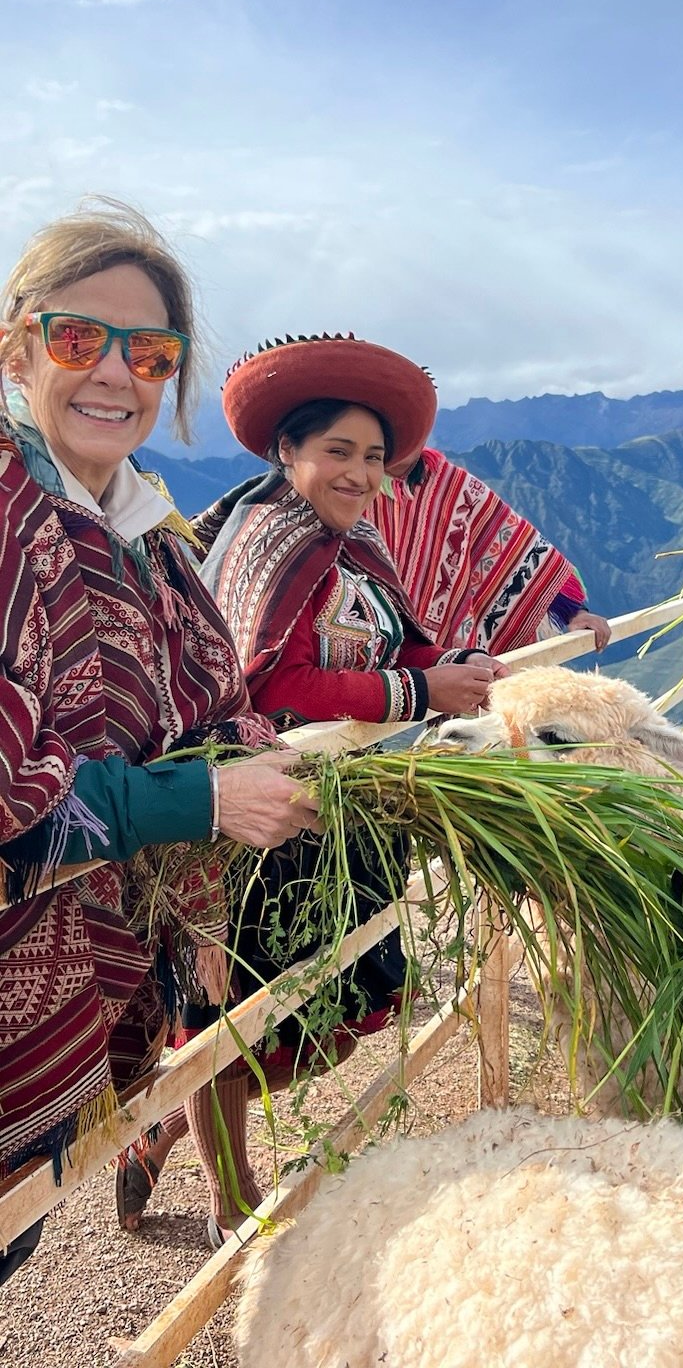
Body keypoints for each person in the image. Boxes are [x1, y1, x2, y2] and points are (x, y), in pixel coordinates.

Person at [122, 332, 507, 1245]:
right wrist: (418, 692)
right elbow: (267, 686)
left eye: (373, 456)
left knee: (332, 1002)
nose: (360, 474)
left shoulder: (357, 543)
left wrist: (449, 663)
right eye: (338, 450)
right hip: (249, 818)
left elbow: (398, 640)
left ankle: (164, 1130)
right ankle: (230, 1198)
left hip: (334, 811)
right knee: (232, 1020)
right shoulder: (267, 543)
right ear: (287, 450)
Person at [0, 200, 317, 1285]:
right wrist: (207, 803)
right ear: (17, 347)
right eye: (77, 338)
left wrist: (267, 761)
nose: (113, 373)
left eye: (149, 352)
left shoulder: (151, 539)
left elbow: (210, 706)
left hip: (80, 984)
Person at [372, 446, 612, 655]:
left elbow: (517, 549)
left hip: (444, 663)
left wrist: (573, 612)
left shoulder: (452, 487)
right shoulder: (358, 487)